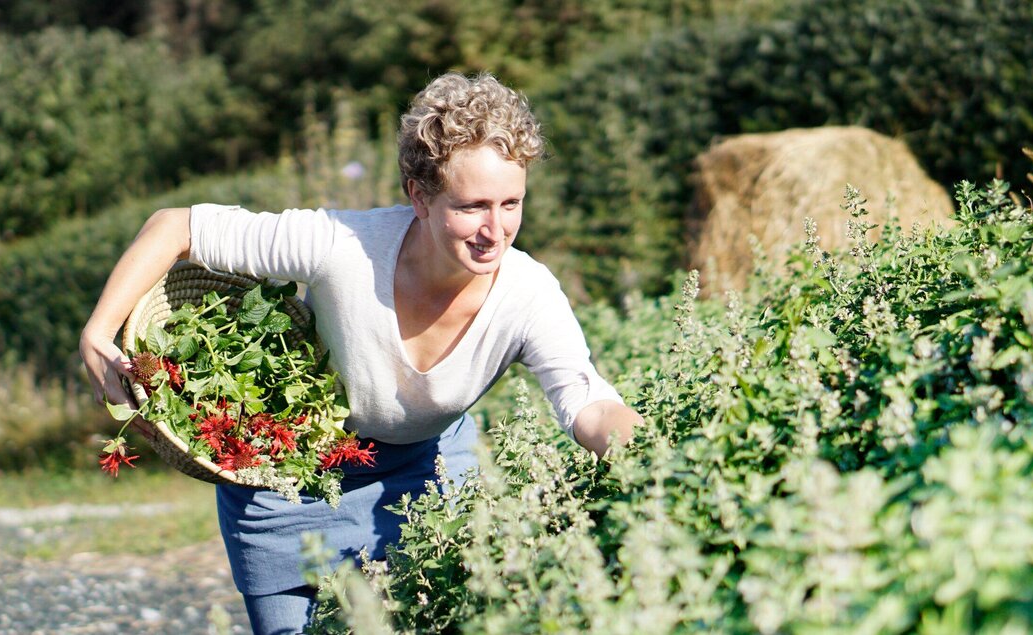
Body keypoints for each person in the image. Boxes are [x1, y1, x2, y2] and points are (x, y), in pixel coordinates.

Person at [79, 71, 643, 635]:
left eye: (511, 203)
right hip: (289, 483)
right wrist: (99, 331)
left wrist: (644, 451)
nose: (495, 230)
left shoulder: (528, 293)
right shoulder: (342, 246)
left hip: (432, 478)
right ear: (418, 195)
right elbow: (176, 227)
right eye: (472, 207)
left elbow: (587, 400)